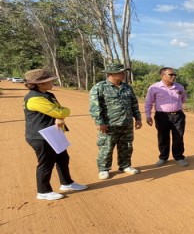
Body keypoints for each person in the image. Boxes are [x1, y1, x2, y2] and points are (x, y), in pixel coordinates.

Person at [23, 69, 88, 200]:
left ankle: (67, 183)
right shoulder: (34, 99)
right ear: (40, 84)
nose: (53, 82)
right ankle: (43, 191)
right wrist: (60, 115)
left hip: (52, 133)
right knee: (46, 163)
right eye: (49, 81)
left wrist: (60, 116)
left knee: (63, 158)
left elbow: (59, 112)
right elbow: (61, 111)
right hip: (40, 136)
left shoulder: (48, 95)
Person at [89, 63, 143, 180]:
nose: (123, 75)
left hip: (126, 124)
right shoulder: (99, 87)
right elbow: (95, 107)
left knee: (127, 146)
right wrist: (100, 122)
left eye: (124, 72)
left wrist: (138, 118)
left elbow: (134, 104)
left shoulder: (127, 87)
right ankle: (104, 169)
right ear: (111, 74)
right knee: (106, 147)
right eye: (121, 72)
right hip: (109, 125)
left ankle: (125, 165)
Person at [145, 67, 188, 167]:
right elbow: (148, 103)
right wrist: (148, 116)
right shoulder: (154, 88)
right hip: (162, 116)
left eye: (174, 75)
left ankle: (179, 157)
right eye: (171, 75)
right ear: (162, 76)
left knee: (178, 137)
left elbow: (183, 99)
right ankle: (163, 157)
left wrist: (175, 108)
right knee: (163, 136)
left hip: (178, 115)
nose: (173, 76)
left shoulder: (179, 87)